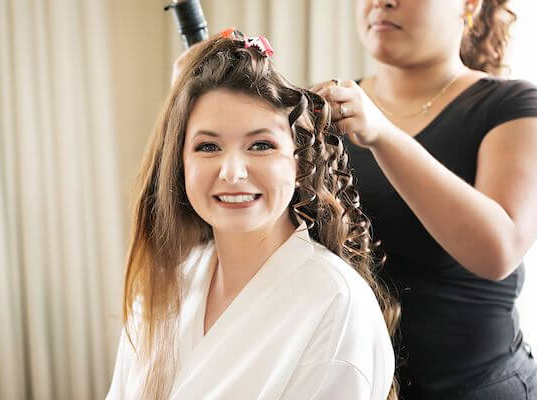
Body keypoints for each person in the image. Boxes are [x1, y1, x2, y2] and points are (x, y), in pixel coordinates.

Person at [106, 30, 398, 400]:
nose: (232, 172)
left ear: (298, 161)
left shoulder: (336, 305)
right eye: (208, 146)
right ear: (179, 164)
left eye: (261, 145)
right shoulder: (168, 286)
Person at [310, 0, 537, 399]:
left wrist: (383, 136)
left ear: (470, 4)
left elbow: (498, 252)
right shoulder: (323, 111)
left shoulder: (513, 106)